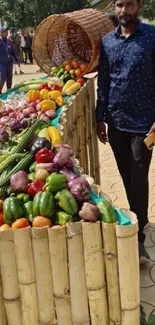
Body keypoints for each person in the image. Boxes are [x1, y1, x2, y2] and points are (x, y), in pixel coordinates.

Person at [96, 0, 155, 263]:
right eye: (119, 4)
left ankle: (139, 235)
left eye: (129, 4)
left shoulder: (152, 37)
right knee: (126, 176)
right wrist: (100, 117)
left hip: (144, 124)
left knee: (139, 177)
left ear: (139, 6)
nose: (123, 10)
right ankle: (136, 217)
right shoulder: (107, 41)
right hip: (116, 122)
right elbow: (104, 81)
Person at [0, 26, 19, 94]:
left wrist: (16, 59)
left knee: (9, 77)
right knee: (3, 77)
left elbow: (12, 51)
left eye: (7, 31)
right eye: (4, 31)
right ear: (1, 33)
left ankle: (8, 90)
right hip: (1, 63)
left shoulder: (9, 41)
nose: (6, 32)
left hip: (9, 62)